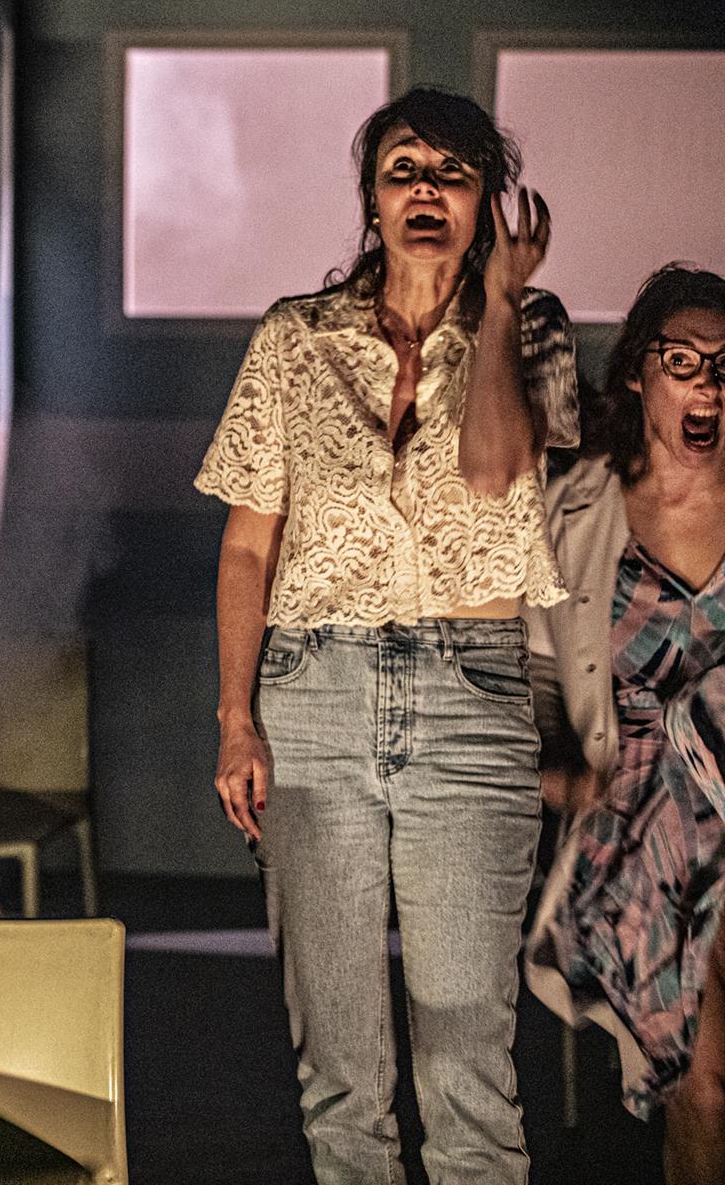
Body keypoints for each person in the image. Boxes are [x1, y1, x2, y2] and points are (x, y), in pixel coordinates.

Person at [195, 87, 577, 1184]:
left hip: (471, 693)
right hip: (312, 688)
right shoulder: (295, 338)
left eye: (453, 174)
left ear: (487, 202)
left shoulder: (532, 329)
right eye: (403, 169)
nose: (425, 191)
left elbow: (496, 470)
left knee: (467, 1065)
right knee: (342, 1069)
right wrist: (236, 719)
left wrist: (497, 305)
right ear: (369, 196)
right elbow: (247, 549)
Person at [524, 264, 725, 1185]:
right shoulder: (579, 509)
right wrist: (556, 774)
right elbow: (528, 677)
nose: (708, 383)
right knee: (702, 1088)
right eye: (683, 361)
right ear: (641, 373)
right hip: (636, 823)